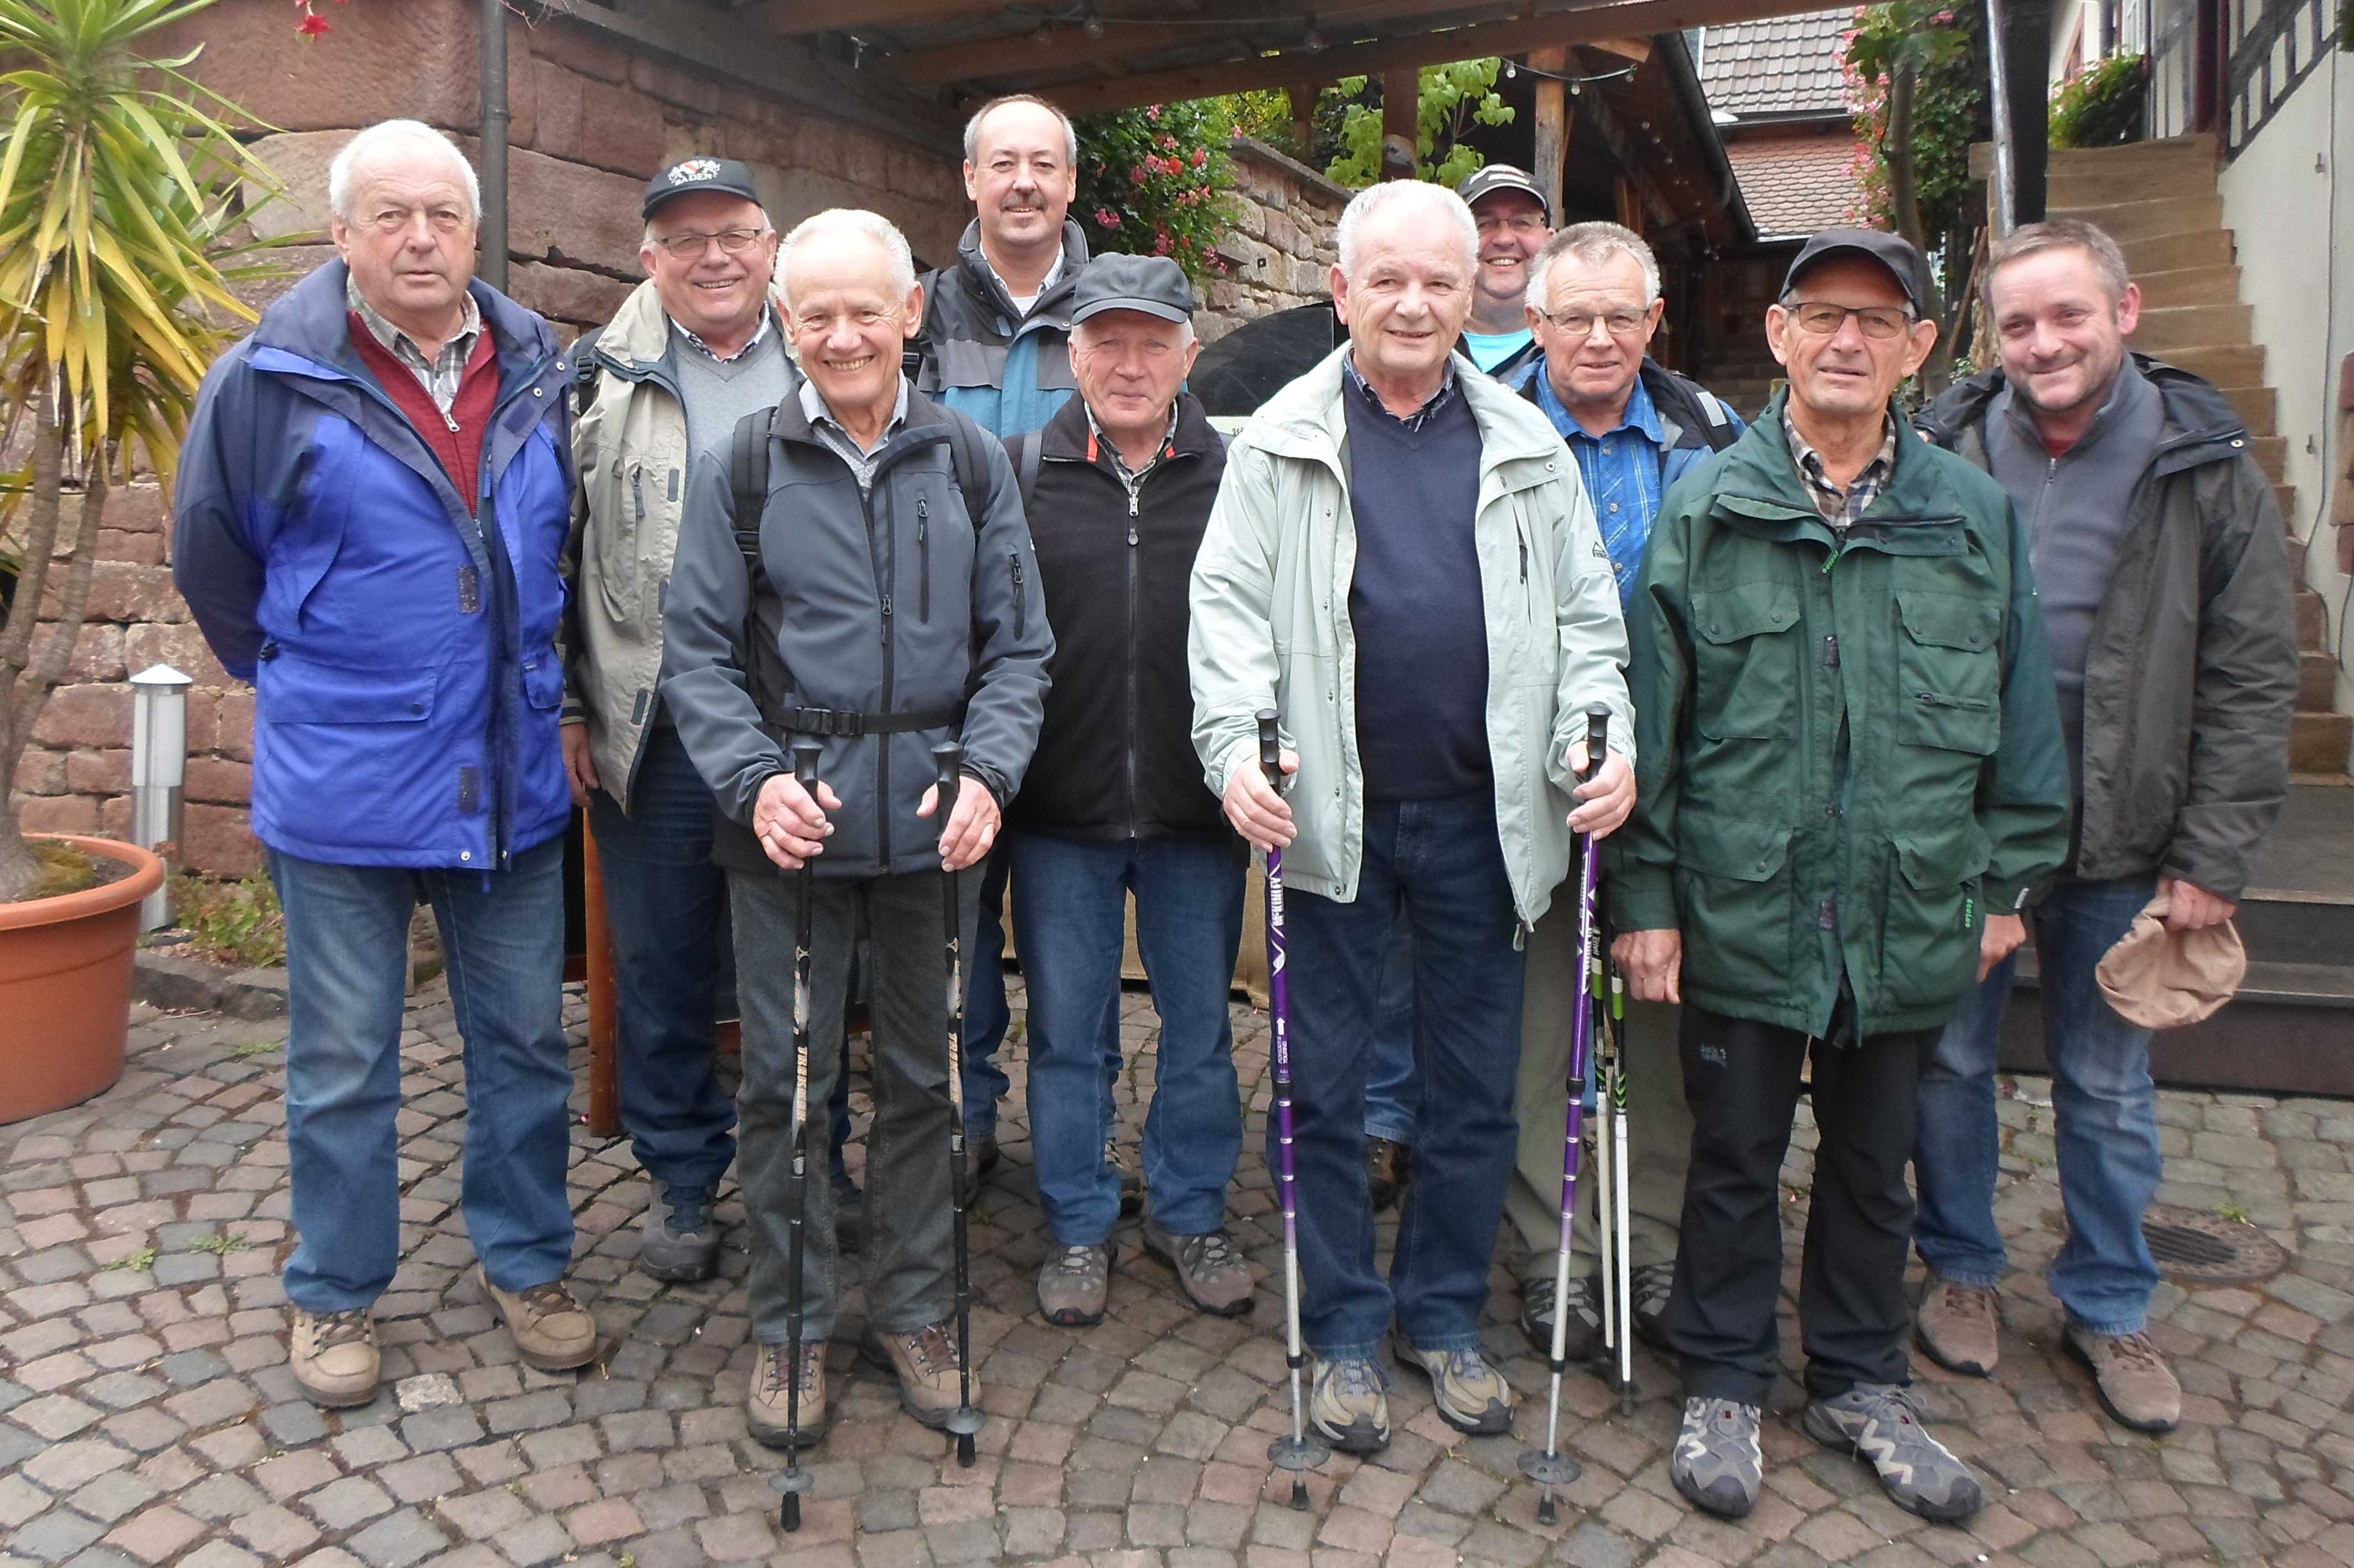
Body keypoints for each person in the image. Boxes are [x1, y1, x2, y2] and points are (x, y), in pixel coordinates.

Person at [1611, 228, 2072, 1524]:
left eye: (1878, 322)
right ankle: (1720, 1374)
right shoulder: (1707, 504)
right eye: (1820, 314)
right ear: (1779, 335)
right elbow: (1658, 723)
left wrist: (2002, 885)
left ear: (1919, 349)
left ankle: (1860, 1377)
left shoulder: (1968, 515)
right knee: (1733, 1156)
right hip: (1743, 896)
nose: (1846, 340)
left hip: (1908, 904)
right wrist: (1642, 900)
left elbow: (2022, 716)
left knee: (1878, 1163)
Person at [1190, 179, 1636, 1453]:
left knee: (1474, 1092)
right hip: (1327, 821)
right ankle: (1338, 1325)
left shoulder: (1525, 448)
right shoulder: (1275, 443)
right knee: (1322, 1087)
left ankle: (1441, 1314)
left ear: (1474, 297)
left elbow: (1588, 634)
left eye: (1437, 280)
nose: (1413, 301)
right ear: (1340, 293)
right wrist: (1233, 748)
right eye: (1385, 279)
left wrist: (1595, 744)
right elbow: (1223, 628)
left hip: (1485, 824)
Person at [174, 120, 595, 1407]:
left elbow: (571, 558)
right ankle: (337, 1289)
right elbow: (216, 567)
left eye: (443, 216)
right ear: (344, 235)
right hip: (345, 787)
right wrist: (322, 682)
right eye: (391, 216)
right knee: (345, 1056)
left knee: (523, 1041)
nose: (420, 238)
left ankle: (525, 1260)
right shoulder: (266, 381)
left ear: (476, 234)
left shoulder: (541, 370)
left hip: (510, 778)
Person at [661, 208, 1051, 1443]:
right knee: (786, 1086)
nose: (840, 335)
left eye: (862, 310)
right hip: (793, 826)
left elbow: (1018, 650)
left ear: (910, 314)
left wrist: (989, 772)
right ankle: (786, 1326)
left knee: (927, 1082)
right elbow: (697, 655)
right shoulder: (745, 465)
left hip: (934, 826)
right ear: (787, 322)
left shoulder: (970, 462)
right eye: (813, 314)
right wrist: (750, 779)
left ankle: (916, 1306)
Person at [1910, 218, 2296, 1432]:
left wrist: (2211, 857)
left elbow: (2249, 672)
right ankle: (1959, 1271)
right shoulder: (1947, 442)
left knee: (2105, 1082)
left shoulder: (2202, 459)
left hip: (2125, 837)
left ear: (2122, 313)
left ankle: (2107, 1301)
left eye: (2067, 314)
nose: (2043, 343)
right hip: (1964, 831)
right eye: (2017, 322)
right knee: (1947, 1062)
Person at [1505, 221, 1743, 1362]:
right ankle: (1555, 1256)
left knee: (1655, 1029)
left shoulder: (1712, 437)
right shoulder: (1488, 422)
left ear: (1654, 323)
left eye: (1619, 317)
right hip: (1522, 785)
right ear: (1535, 322)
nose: (1595, 338)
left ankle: (1650, 1242)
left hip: (1673, 787)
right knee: (1538, 1037)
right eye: (1571, 317)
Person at [1003, 255, 1253, 1327]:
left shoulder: (1241, 473)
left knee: (1198, 1028)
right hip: (1059, 810)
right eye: (1106, 340)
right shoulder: (1019, 473)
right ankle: (1073, 1222)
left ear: (1189, 356)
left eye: (1152, 341)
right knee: (1067, 1030)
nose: (1129, 362)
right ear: (1072, 354)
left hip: (1199, 811)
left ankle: (1190, 1209)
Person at [564, 157, 791, 1283]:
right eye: (685, 237)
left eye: (734, 233)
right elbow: (553, 550)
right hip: (651, 722)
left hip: (799, 724)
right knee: (659, 964)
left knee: (799, 958)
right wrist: (567, 704)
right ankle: (685, 1180)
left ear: (769, 245)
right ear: (649, 257)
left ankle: (804, 1167)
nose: (713, 256)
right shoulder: (598, 375)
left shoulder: (829, 354)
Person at [911, 92, 1128, 1193]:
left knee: (1068, 941)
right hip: (946, 672)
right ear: (969, 181)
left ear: (1072, 184)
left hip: (1081, 669)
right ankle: (965, 1112)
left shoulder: (1115, 313)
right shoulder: (919, 313)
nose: (1024, 184)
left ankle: (1074, 1145)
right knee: (954, 920)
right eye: (1003, 164)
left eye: (1044, 163)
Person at [1454, 162, 1552, 385]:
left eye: (1522, 222)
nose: (1504, 239)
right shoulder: (1424, 344)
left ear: (1550, 240)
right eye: (1484, 224)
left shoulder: (1576, 350)